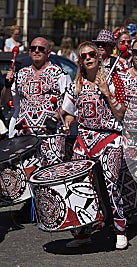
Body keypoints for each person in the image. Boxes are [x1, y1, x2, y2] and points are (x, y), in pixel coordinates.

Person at [62, 41, 128, 249]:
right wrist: (67, 120)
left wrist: (106, 92)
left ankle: (120, 229)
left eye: (92, 54)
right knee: (77, 184)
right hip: (84, 139)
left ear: (99, 57)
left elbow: (121, 113)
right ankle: (83, 231)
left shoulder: (113, 78)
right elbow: (68, 111)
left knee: (112, 185)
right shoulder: (77, 83)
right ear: (80, 61)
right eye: (84, 56)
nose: (88, 58)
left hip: (109, 138)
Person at [5, 37, 72, 166]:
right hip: (23, 134)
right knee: (23, 176)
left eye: (41, 49)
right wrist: (7, 85)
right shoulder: (20, 74)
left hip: (50, 135)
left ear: (48, 53)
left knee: (50, 176)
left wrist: (55, 118)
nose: (36, 51)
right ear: (29, 52)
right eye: (33, 48)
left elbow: (70, 99)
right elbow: (6, 99)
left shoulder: (60, 74)